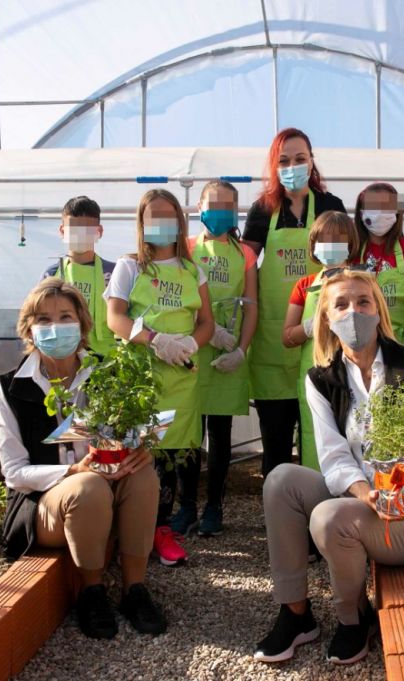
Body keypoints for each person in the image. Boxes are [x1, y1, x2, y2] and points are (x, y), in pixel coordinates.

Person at [253, 270, 404, 666]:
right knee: (281, 479)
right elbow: (332, 455)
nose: (354, 312)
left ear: (378, 310)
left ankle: (353, 619)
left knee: (330, 518)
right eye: (341, 305)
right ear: (327, 318)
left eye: (363, 302)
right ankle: (295, 613)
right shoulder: (321, 379)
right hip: (362, 499)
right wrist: (367, 494)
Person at [0, 278, 166, 640]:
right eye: (43, 319)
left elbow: (129, 433)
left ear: (82, 323)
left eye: (65, 317)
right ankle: (92, 591)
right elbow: (14, 472)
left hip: (104, 494)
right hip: (43, 506)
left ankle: (135, 590)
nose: (55, 327)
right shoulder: (11, 386)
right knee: (87, 485)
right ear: (29, 328)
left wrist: (140, 448)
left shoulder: (106, 373)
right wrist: (72, 470)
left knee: (144, 476)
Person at [105, 189, 214, 565]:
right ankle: (134, 529)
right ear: (141, 223)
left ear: (180, 222)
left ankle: (162, 529)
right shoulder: (130, 266)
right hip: (142, 377)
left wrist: (190, 343)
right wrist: (155, 340)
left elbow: (207, 322)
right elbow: (115, 318)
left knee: (176, 455)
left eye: (169, 215)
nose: (162, 223)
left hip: (181, 378)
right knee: (139, 453)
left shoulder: (193, 270)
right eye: (154, 216)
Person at [242, 128, 347, 479]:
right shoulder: (262, 210)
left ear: (311, 161)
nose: (292, 167)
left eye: (300, 159)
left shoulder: (330, 206)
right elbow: (245, 264)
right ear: (275, 166)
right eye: (284, 161)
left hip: (322, 337)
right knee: (275, 438)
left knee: (322, 434)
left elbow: (347, 263)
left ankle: (320, 498)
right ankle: (277, 501)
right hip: (274, 337)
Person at [170, 181, 259, 537]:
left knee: (220, 434)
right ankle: (186, 505)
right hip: (193, 347)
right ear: (199, 208)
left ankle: (214, 507)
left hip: (227, 354)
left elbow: (251, 306)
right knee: (188, 432)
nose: (219, 213)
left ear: (236, 211)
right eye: (212, 205)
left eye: (227, 207)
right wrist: (208, 329)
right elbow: (179, 296)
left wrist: (241, 349)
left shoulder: (245, 254)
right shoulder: (186, 248)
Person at [281, 211, 361, 471]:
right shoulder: (304, 286)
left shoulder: (363, 284)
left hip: (353, 373)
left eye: (338, 239)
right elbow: (287, 337)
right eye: (323, 239)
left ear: (350, 244)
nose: (330, 245)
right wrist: (310, 326)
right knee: (315, 435)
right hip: (315, 374)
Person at [353, 182, 404, 351]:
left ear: (397, 212)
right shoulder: (352, 251)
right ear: (361, 212)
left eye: (386, 207)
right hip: (362, 346)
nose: (379, 213)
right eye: (373, 207)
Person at [42, 196, 116, 357]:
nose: (81, 235)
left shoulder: (114, 273)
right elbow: (40, 319)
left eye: (88, 229)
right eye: (74, 229)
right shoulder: (52, 275)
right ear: (62, 231)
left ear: (99, 231)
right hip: (64, 359)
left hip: (107, 361)